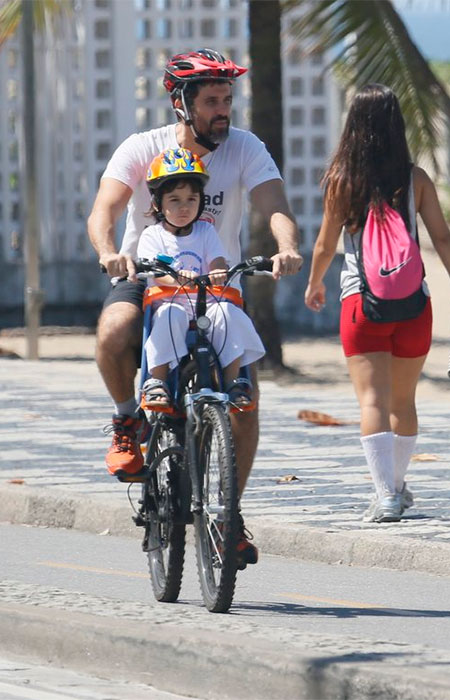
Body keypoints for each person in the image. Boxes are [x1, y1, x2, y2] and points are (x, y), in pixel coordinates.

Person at [87, 48, 303, 565]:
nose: (222, 110)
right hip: (151, 277)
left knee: (245, 403)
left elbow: (276, 208)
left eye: (227, 99)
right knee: (114, 330)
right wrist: (109, 253)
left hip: (215, 280)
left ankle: (228, 516)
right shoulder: (142, 148)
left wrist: (288, 247)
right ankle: (125, 421)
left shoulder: (244, 147)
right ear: (182, 103)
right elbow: (105, 209)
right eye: (211, 101)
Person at [304, 83, 450, 523]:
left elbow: (326, 245)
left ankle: (386, 494)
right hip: (413, 306)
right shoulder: (415, 179)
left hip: (361, 305)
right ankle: (398, 487)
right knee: (403, 402)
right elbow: (441, 237)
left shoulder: (341, 181)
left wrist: (315, 283)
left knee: (372, 400)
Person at [138, 147, 265, 412]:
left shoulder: (206, 230)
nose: (184, 207)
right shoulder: (153, 236)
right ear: (157, 203)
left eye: (191, 199)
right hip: (170, 301)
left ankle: (233, 382)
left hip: (205, 302)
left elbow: (217, 259)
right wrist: (175, 277)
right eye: (174, 200)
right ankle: (157, 381)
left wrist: (219, 270)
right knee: (170, 316)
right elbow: (155, 271)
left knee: (229, 313)